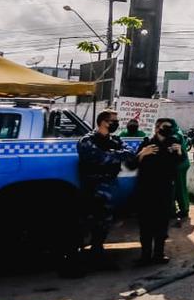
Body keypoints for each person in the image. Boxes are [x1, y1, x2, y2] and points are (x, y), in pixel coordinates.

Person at [76, 110, 137, 269]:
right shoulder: (87, 140)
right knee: (89, 222)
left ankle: (97, 253)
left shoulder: (115, 139)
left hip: (110, 186)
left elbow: (130, 154)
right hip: (93, 187)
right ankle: (80, 258)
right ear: (103, 122)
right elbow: (99, 157)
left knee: (105, 222)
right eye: (113, 120)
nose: (116, 123)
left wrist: (111, 153)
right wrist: (116, 154)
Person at [135, 118, 183, 265]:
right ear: (156, 128)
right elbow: (132, 164)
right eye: (164, 127)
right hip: (147, 190)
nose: (167, 129)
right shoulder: (147, 143)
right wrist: (142, 154)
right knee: (146, 223)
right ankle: (145, 256)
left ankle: (159, 254)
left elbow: (180, 163)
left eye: (170, 127)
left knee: (162, 224)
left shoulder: (173, 143)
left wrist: (179, 152)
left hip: (165, 189)